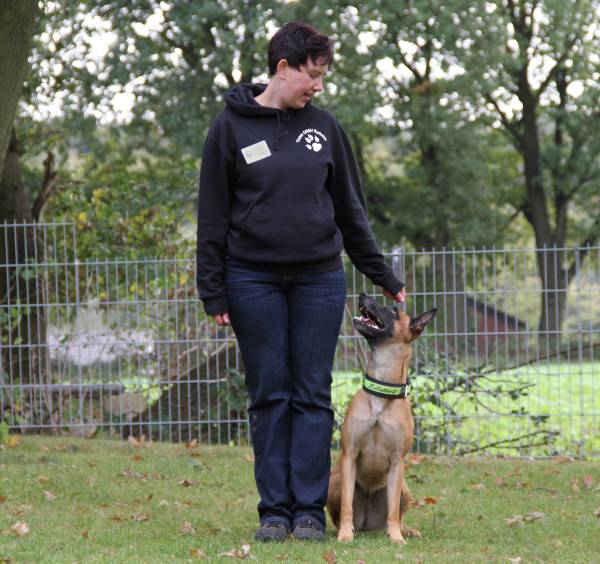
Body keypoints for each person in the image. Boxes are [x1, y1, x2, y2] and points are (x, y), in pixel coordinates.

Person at [196, 21, 406, 542]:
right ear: (283, 67)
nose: (318, 86)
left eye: (323, 76)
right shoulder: (230, 128)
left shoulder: (325, 128)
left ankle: (310, 512)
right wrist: (213, 288)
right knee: (270, 393)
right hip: (251, 279)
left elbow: (350, 209)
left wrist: (381, 273)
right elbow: (213, 215)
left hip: (318, 280)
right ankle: (274, 511)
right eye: (312, 75)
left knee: (312, 394)